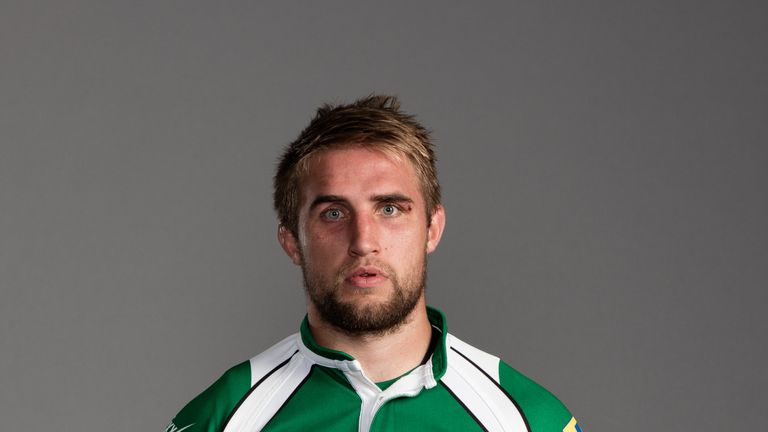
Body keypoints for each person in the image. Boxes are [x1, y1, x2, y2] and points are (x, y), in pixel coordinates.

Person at [166, 95, 582, 432]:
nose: (364, 242)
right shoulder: (225, 417)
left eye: (389, 209)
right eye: (333, 213)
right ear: (292, 240)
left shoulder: (527, 420)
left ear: (432, 228)